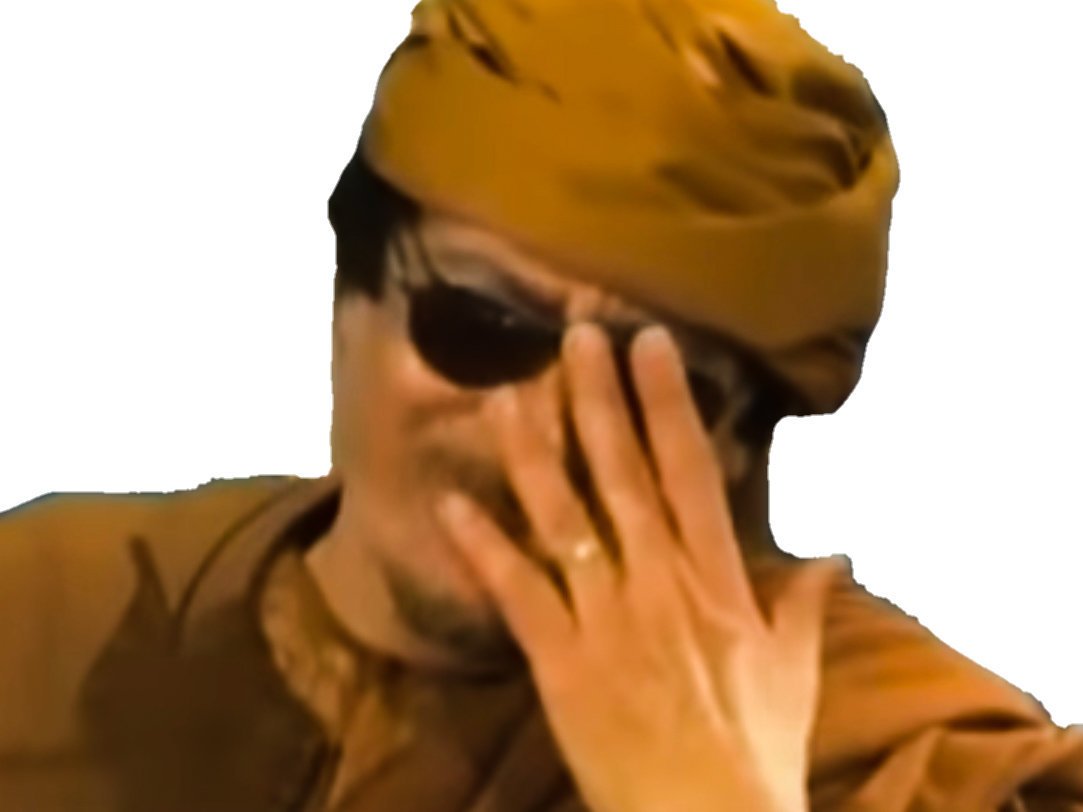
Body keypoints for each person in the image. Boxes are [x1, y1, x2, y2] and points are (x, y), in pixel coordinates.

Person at [1, 0, 1081, 809]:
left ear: (734, 447)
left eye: (642, 385)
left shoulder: (896, 753)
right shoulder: (44, 606)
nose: (537, 435)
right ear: (348, 307)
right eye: (483, 328)